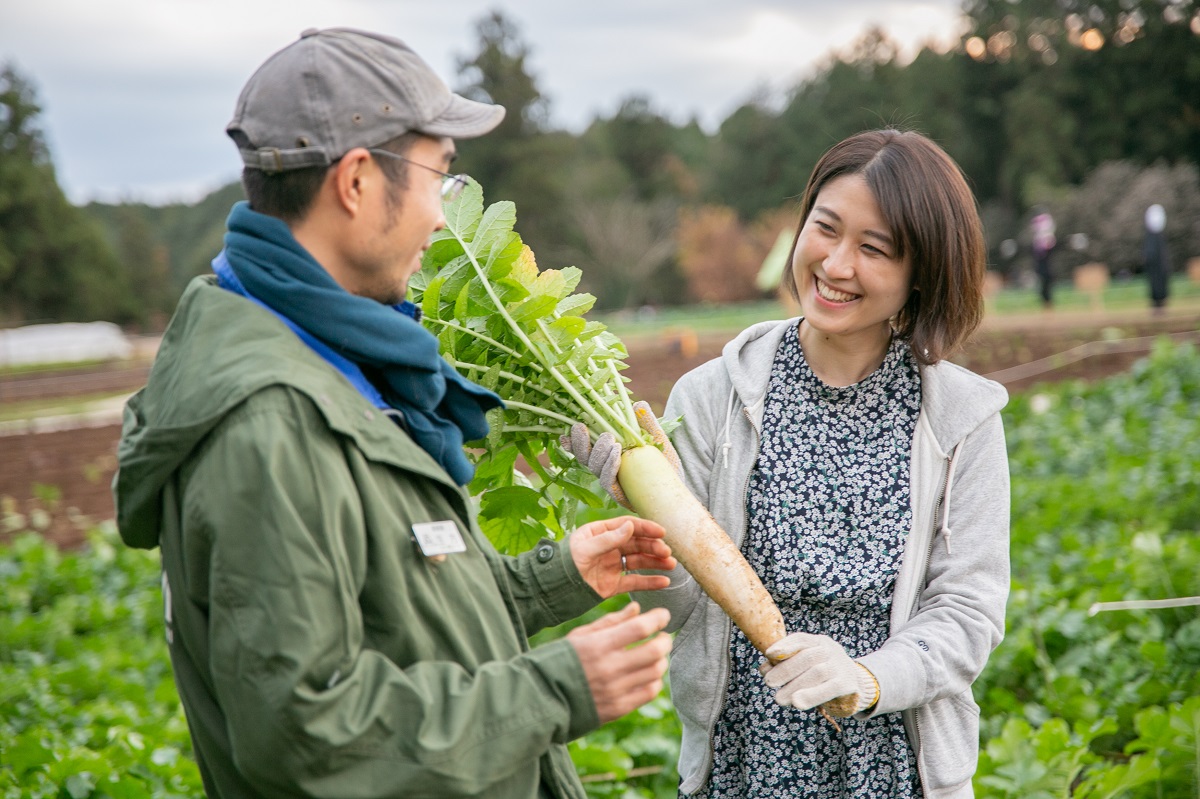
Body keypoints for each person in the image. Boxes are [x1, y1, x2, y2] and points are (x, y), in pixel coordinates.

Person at [112, 28, 677, 799]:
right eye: (437, 177)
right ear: (356, 183)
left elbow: (399, 613)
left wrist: (553, 578)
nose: (443, 220)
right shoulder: (269, 422)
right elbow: (303, 731)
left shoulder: (336, 362)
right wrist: (552, 691)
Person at [578, 129, 1010, 797]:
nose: (836, 265)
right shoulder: (712, 397)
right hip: (747, 761)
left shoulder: (961, 417)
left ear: (921, 270)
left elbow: (967, 612)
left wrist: (868, 678)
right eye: (825, 229)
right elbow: (685, 603)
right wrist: (646, 506)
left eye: (873, 249)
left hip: (897, 766)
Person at [1143, 203, 1170, 313]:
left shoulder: (1155, 237)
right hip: (1156, 271)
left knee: (1159, 288)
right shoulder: (1153, 237)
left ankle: (1159, 307)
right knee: (1157, 288)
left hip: (1158, 270)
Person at [1030, 209, 1057, 308]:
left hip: (1046, 270)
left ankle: (1048, 305)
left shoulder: (1047, 241)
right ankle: (1046, 304)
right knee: (1044, 287)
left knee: (1046, 286)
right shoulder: (1038, 243)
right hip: (1042, 269)